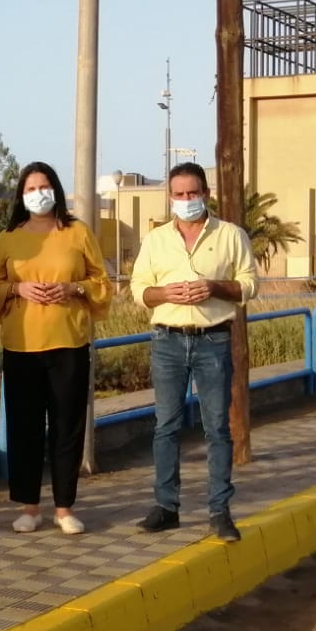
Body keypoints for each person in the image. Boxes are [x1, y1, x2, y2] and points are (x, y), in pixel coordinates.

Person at [128, 162, 257, 540]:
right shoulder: (156, 240)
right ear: (169, 197)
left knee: (217, 427)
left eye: (193, 193)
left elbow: (249, 284)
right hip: (167, 339)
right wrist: (163, 293)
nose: (186, 200)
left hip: (213, 339)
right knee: (166, 426)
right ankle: (166, 506)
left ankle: (220, 510)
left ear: (206, 194)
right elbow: (139, 289)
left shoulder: (231, 235)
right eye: (179, 194)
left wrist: (214, 287)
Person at [0, 163, 110, 535]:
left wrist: (73, 289)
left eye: (44, 185)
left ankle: (65, 507)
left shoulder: (78, 232)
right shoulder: (10, 237)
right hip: (21, 345)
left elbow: (100, 281)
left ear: (56, 189)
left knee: (68, 425)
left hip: (69, 343)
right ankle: (29, 506)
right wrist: (17, 289)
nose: (38, 192)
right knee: (25, 427)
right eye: (30, 187)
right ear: (21, 195)